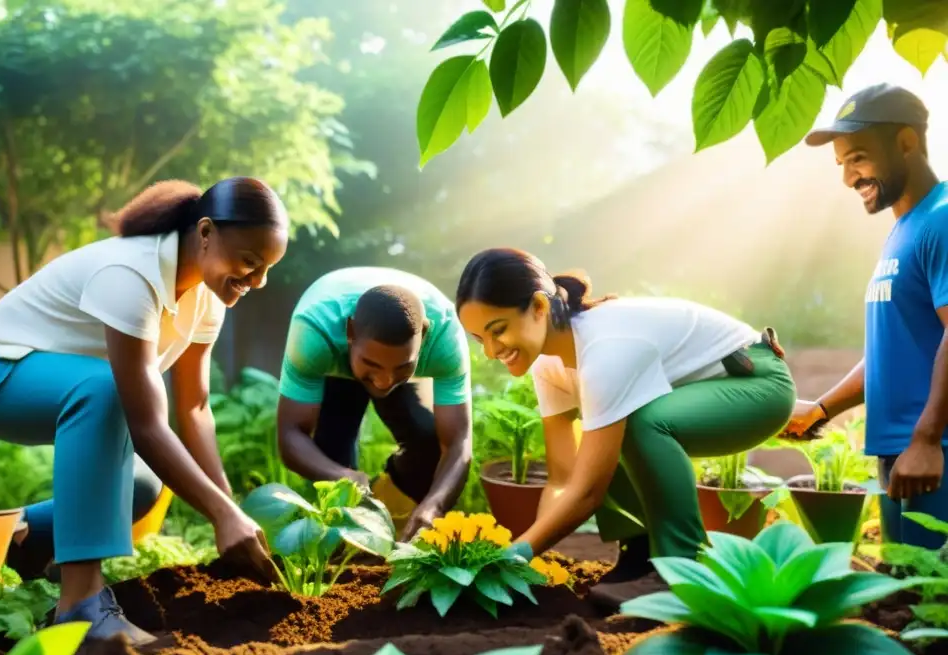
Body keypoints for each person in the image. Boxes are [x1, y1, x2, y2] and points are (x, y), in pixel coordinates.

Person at [0, 177, 289, 644]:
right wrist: (220, 515)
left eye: (266, 268)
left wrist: (229, 511)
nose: (257, 281)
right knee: (107, 388)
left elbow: (195, 408)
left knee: (142, 484)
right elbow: (146, 421)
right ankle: (81, 607)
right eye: (250, 262)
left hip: (64, 385)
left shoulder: (208, 298)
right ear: (205, 232)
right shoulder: (132, 274)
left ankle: (24, 538)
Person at [455, 248, 796, 609]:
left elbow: (588, 491)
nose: (491, 351)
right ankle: (639, 560)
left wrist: (515, 554)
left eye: (498, 330)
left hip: (757, 385)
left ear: (539, 308)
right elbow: (563, 479)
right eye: (480, 339)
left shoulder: (606, 350)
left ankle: (682, 570)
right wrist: (533, 550)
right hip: (701, 390)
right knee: (608, 430)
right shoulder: (548, 365)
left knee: (635, 422)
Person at [786, 84, 948, 548]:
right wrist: (820, 410)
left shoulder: (942, 218)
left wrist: (927, 440)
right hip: (900, 453)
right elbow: (892, 349)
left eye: (858, 157)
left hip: (933, 455)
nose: (848, 178)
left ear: (906, 143)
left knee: (930, 606)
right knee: (905, 598)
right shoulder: (905, 229)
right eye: (842, 164)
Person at [277, 267, 472, 539]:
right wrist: (341, 476)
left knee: (427, 442)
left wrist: (435, 505)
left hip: (381, 353)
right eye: (373, 365)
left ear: (424, 337)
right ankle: (345, 539)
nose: (384, 381)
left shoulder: (445, 339)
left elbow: (458, 442)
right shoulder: (314, 332)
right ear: (350, 332)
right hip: (336, 359)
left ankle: (390, 514)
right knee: (332, 450)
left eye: (402, 367)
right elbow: (290, 435)